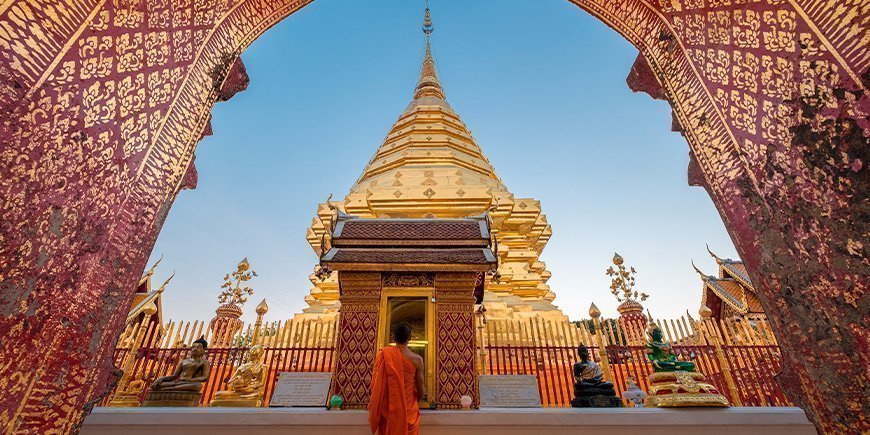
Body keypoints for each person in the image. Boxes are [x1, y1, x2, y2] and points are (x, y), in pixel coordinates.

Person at [368, 323, 424, 435]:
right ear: (410, 338)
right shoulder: (417, 359)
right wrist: (411, 402)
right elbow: (421, 390)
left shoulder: (384, 355)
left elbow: (376, 385)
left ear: (393, 338)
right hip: (409, 411)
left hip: (388, 410)